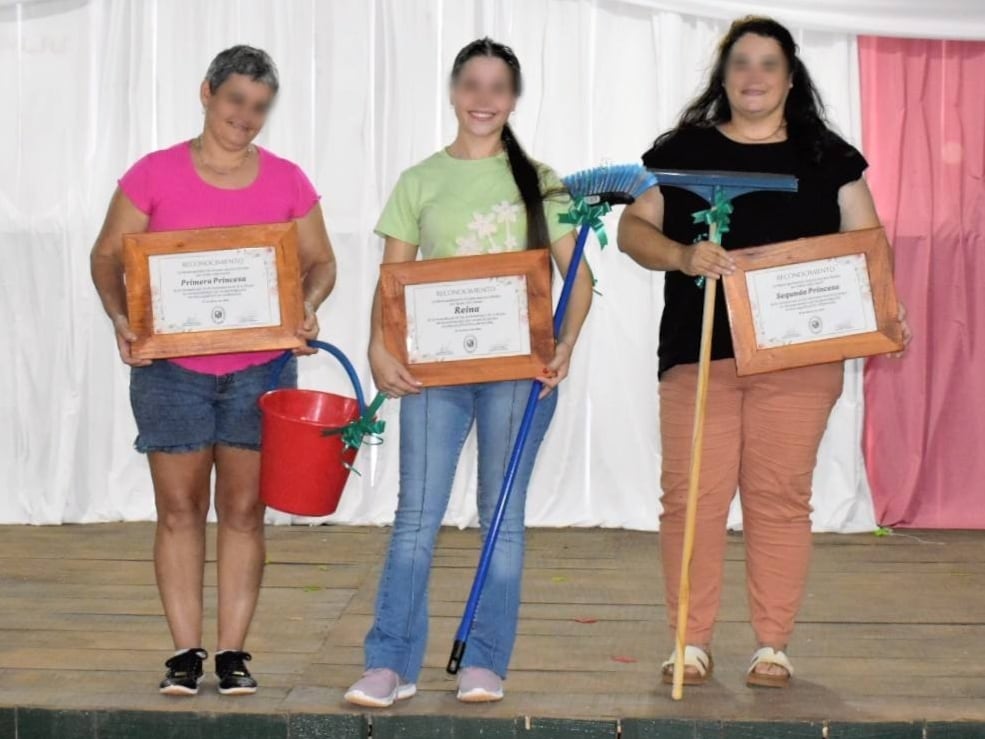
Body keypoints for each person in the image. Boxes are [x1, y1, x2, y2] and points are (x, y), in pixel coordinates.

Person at [617, 16, 912, 688]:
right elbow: (633, 229)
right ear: (723, 76)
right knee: (691, 498)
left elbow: (867, 245)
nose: (753, 76)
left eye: (768, 63)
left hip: (798, 363)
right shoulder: (681, 149)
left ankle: (771, 644)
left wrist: (888, 309)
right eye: (741, 62)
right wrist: (682, 253)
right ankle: (689, 642)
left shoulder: (827, 157)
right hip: (698, 356)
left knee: (779, 498)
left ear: (789, 76)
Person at [344, 38, 593, 707]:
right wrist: (377, 344)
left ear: (513, 98)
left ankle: (484, 661)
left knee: (502, 520)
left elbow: (580, 277)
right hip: (431, 372)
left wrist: (564, 342)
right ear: (454, 92)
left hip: (520, 373)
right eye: (472, 85)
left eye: (497, 87)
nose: (483, 99)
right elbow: (393, 279)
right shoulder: (419, 180)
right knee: (415, 517)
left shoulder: (540, 180)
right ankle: (389, 663)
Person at [89, 45, 337, 696]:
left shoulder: (286, 179)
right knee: (177, 509)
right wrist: (122, 320)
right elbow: (106, 255)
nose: (245, 117)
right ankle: (184, 651)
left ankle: (232, 652)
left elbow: (320, 263)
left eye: (258, 107)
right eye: (235, 101)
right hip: (171, 371)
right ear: (207, 93)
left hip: (262, 369)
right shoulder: (153, 173)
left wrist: (305, 309)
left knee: (244, 509)